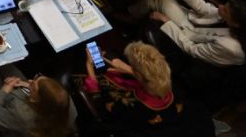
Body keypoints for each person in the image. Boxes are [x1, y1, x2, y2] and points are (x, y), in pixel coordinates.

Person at [129, 0, 246, 68]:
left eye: (225, 9)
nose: (220, 6)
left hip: (188, 40)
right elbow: (204, 8)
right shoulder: (235, 23)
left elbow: (192, 49)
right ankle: (136, 13)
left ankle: (131, 17)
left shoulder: (232, 48)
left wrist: (166, 21)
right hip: (192, 27)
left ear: (236, 23)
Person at [81, 42, 212, 133]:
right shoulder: (174, 87)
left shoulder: (129, 105)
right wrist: (130, 70)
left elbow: (101, 109)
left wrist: (89, 65)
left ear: (139, 74)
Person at [0, 61, 76, 137]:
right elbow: (36, 89)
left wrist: (4, 90)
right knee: (4, 62)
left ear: (36, 100)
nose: (30, 80)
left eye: (33, 84)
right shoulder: (64, 100)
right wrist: (25, 84)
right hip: (24, 97)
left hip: (5, 111)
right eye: (36, 79)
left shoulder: (23, 116)